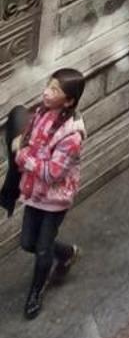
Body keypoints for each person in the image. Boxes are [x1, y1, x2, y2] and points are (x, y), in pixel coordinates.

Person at [6, 69, 86, 319]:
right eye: (48, 86)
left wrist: (22, 155)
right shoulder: (40, 112)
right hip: (34, 193)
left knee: (42, 250)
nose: (46, 93)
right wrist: (22, 140)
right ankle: (67, 253)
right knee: (28, 242)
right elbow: (31, 138)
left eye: (54, 91)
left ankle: (36, 293)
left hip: (54, 199)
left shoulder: (71, 136)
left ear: (69, 100)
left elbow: (52, 173)